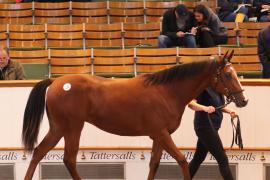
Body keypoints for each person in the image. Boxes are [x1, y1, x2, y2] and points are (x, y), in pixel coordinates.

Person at [188, 88, 237, 180]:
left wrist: (230, 111)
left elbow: (219, 106)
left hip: (213, 127)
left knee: (198, 158)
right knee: (222, 159)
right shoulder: (203, 88)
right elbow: (191, 104)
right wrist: (205, 108)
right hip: (204, 127)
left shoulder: (218, 90)